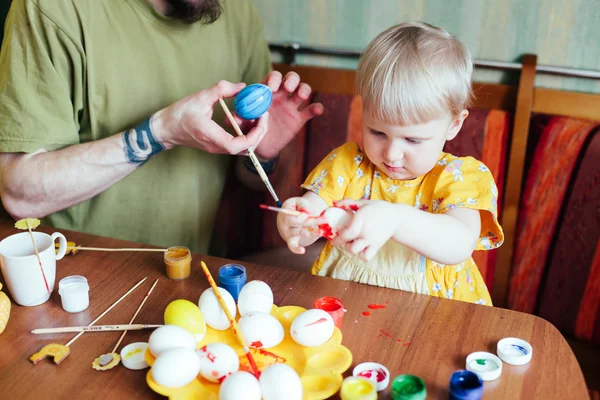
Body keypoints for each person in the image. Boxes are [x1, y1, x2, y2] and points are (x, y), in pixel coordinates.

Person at [0, 0, 323, 253]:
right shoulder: (52, 8)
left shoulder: (235, 9)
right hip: (76, 274)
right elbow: (20, 194)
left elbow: (256, 183)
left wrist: (263, 153)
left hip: (192, 269)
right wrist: (159, 132)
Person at [276, 22, 503, 305]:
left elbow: (458, 243)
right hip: (347, 302)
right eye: (377, 132)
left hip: (435, 314)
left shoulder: (462, 177)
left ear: (454, 125)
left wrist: (394, 218)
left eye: (413, 140)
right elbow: (313, 216)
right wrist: (299, 221)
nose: (392, 153)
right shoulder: (348, 164)